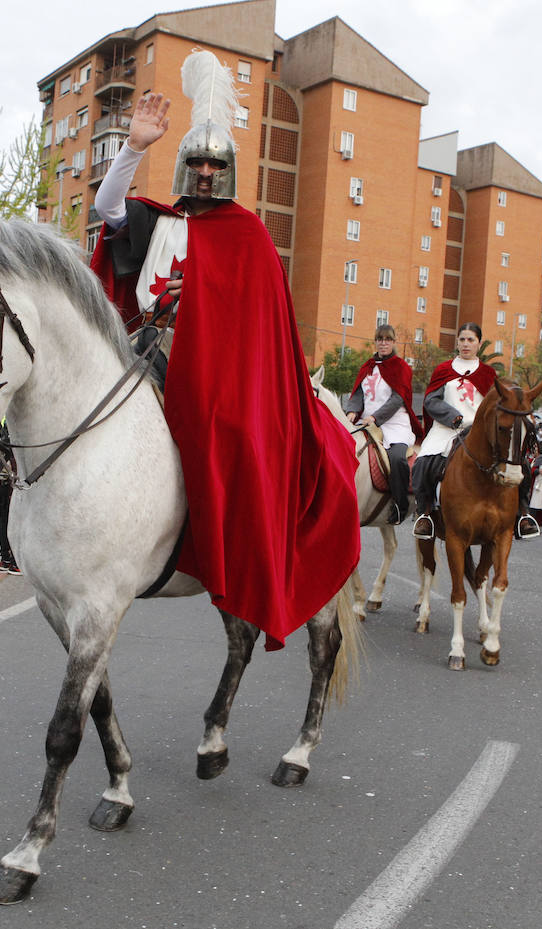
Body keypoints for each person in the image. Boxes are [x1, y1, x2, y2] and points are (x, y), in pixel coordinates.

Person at [86, 52, 360, 650]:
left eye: (216, 162)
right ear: (183, 165)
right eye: (196, 161)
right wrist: (133, 148)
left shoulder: (250, 236)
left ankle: (232, 553)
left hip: (218, 370)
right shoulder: (157, 222)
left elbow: (258, 323)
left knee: (231, 432)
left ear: (228, 169)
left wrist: (206, 295)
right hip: (147, 350)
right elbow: (105, 211)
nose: (206, 171)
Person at [410, 323, 537, 540]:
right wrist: (452, 417)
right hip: (446, 428)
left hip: (479, 430)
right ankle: (426, 514)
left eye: (471, 340)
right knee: (423, 462)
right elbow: (431, 400)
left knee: (519, 462)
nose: (466, 344)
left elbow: (498, 405)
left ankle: (522, 514)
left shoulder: (489, 374)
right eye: (462, 340)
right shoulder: (443, 370)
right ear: (457, 342)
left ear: (479, 343)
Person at [344, 324, 422, 524]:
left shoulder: (401, 367)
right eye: (380, 339)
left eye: (387, 339)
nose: (383, 343)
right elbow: (358, 394)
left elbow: (397, 400)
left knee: (396, 458)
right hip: (367, 422)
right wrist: (353, 410)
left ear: (394, 342)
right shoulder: (368, 366)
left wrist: (376, 418)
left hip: (394, 424)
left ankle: (400, 504)